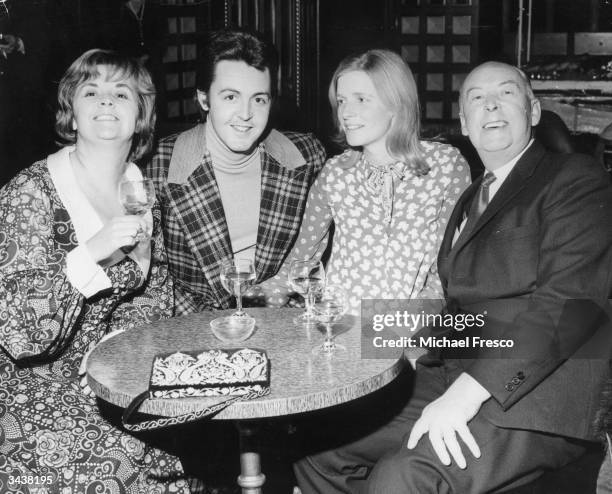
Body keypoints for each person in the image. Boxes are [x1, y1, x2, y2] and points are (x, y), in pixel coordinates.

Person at [294, 61, 612, 493]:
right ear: (464, 121)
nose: (491, 106)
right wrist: (377, 337)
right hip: (457, 374)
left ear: (534, 110)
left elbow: (570, 308)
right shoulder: (470, 198)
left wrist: (467, 393)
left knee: (401, 477)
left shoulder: (574, 179)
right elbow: (466, 317)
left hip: (535, 397)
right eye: (476, 98)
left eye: (506, 93)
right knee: (319, 450)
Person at [0, 49, 189, 493]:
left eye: (121, 93)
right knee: (109, 470)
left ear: (141, 114)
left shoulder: (138, 189)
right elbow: (19, 334)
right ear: (73, 111)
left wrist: (116, 344)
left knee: (168, 454)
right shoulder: (29, 193)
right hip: (31, 389)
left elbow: (153, 295)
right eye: (92, 91)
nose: (106, 101)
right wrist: (92, 252)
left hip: (111, 378)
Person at [262, 49, 470, 314]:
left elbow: (448, 265)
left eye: (361, 99)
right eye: (341, 101)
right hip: (341, 325)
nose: (346, 112)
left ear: (396, 103)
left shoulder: (446, 166)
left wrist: (408, 328)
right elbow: (302, 258)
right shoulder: (335, 173)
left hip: (412, 330)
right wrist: (265, 293)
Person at [145, 29, 326, 315]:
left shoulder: (307, 156)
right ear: (204, 100)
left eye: (259, 99)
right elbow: (151, 281)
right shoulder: (157, 166)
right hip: (192, 327)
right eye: (230, 97)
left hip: (280, 323)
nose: (245, 114)